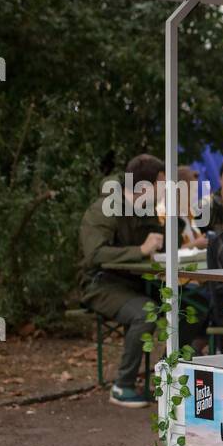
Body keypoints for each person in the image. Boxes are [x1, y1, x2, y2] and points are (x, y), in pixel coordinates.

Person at [79, 154, 196, 407]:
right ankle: (123, 386)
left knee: (191, 306)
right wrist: (140, 251)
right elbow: (94, 254)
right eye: (162, 184)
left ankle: (166, 378)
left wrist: (172, 209)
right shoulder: (104, 208)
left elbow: (169, 240)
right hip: (101, 284)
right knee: (147, 313)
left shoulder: (148, 208)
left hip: (136, 283)